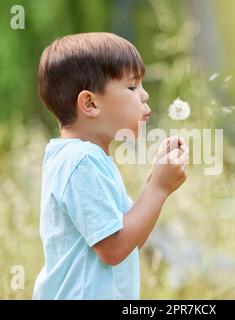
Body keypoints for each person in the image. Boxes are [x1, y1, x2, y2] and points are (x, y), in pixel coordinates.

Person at [33, 32, 188, 299]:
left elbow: (130, 241)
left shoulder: (87, 159)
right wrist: (159, 189)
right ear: (90, 103)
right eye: (132, 87)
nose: (144, 94)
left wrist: (154, 182)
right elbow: (114, 249)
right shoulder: (81, 161)